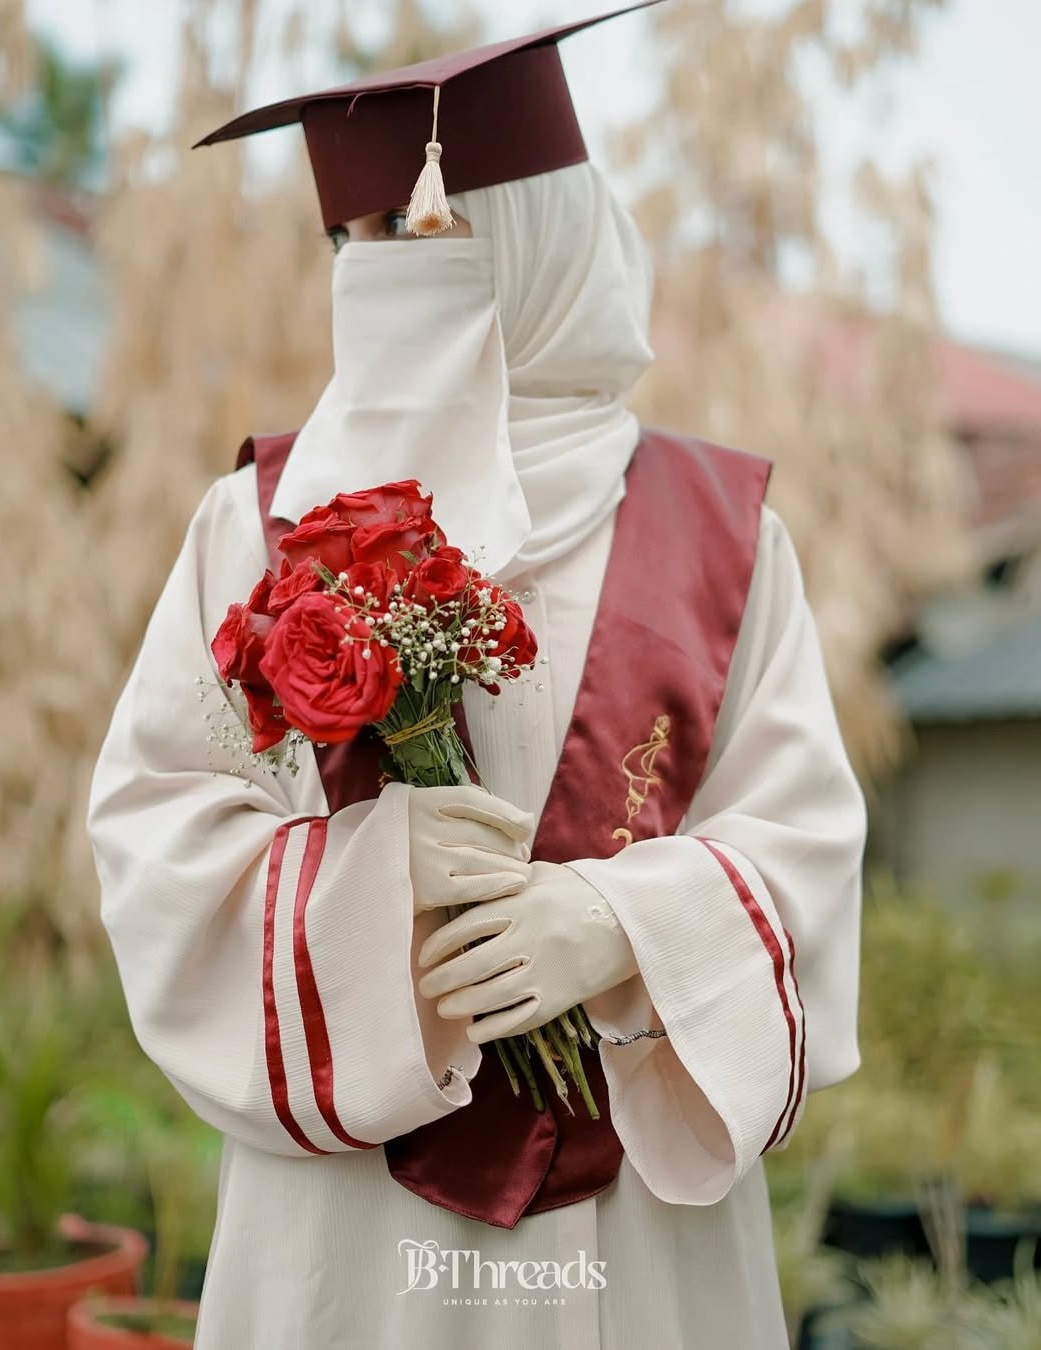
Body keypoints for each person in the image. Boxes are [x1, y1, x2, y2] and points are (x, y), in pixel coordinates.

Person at [88, 4, 866, 1346]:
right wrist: (377, 881)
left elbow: (803, 840)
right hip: (345, 1229)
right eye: (353, 240)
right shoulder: (257, 525)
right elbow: (157, 840)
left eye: (421, 231)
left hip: (634, 1231)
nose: (378, 276)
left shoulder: (725, 534)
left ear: (539, 234)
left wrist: (621, 925)